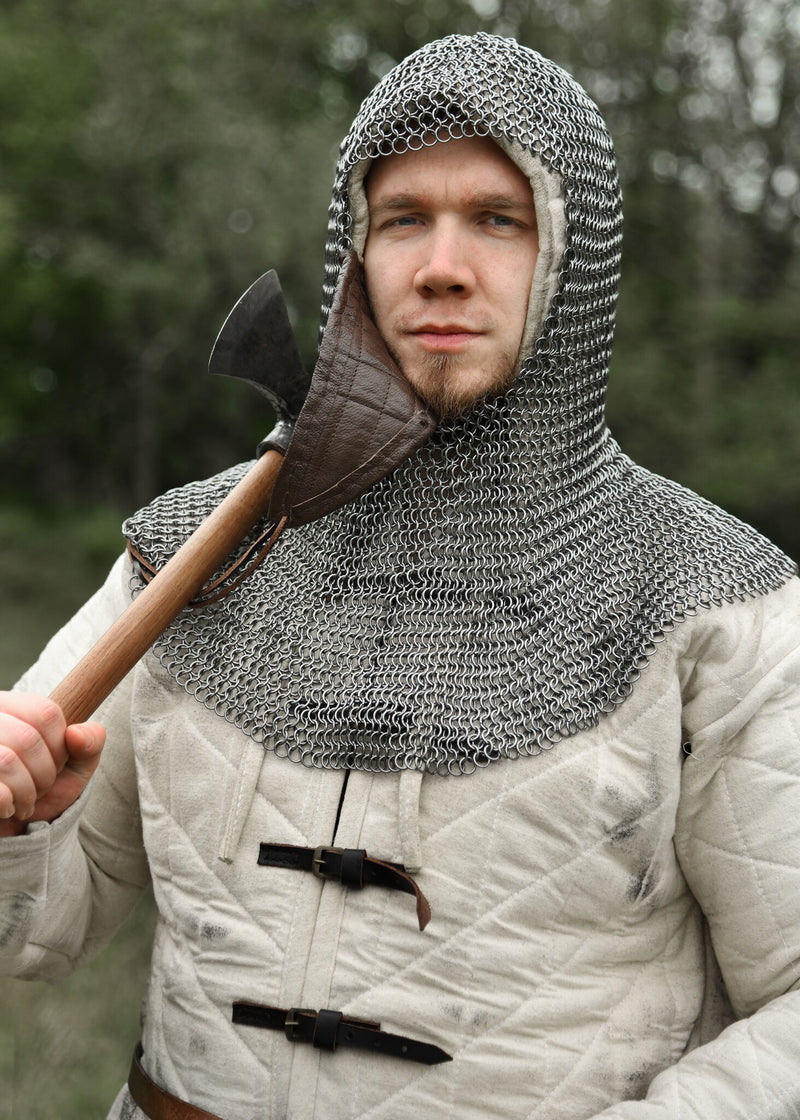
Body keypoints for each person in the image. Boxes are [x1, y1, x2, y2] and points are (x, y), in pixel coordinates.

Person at [2, 32, 800, 1120]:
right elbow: (37, 928)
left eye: (496, 218)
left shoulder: (708, 602)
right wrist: (16, 825)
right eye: (403, 217)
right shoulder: (190, 553)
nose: (441, 263)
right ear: (354, 254)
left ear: (565, 255)